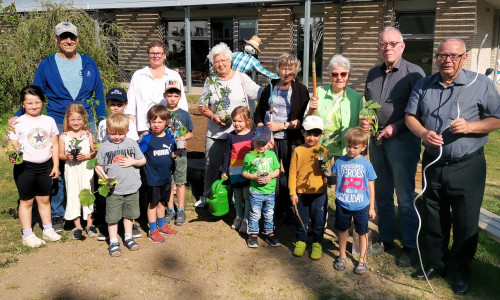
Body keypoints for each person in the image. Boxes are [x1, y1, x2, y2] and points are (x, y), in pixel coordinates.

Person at [406, 37, 500, 295]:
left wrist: (471, 127)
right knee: (434, 216)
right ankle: (437, 262)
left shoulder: (481, 84)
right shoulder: (424, 84)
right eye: (442, 55)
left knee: (465, 220)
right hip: (433, 164)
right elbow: (410, 117)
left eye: (454, 56)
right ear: (436, 57)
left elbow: (496, 118)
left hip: (467, 166)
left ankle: (460, 270)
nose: (447, 60)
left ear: (464, 57)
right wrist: (424, 134)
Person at [9, 21, 106, 232]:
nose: (68, 41)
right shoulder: (47, 65)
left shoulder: (89, 63)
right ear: (57, 40)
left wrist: (102, 119)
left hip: (84, 120)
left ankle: (88, 211)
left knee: (87, 166)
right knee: (58, 167)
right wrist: (17, 115)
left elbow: (98, 93)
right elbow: (35, 93)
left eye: (72, 37)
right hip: (56, 120)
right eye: (64, 37)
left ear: (77, 40)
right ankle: (57, 213)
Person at [363, 27, 425, 266]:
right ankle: (386, 239)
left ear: (402, 46)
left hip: (403, 143)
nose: (387, 48)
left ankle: (410, 246)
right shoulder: (372, 74)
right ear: (379, 47)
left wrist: (395, 127)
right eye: (383, 44)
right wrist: (366, 118)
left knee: (405, 196)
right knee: (383, 194)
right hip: (377, 143)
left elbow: (418, 111)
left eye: (392, 43)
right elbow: (369, 104)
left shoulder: (414, 74)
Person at [195, 42, 262, 208]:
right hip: (216, 132)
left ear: (230, 61)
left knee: (238, 164)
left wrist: (277, 87)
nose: (220, 64)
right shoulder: (211, 81)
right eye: (216, 61)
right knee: (211, 165)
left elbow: (260, 93)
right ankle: (207, 195)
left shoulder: (241, 78)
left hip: (240, 134)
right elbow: (201, 106)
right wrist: (212, 115)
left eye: (223, 60)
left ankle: (236, 197)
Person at [254, 52, 310, 222]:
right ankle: (273, 212)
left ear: (296, 71)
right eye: (284, 68)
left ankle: (294, 212)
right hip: (270, 141)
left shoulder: (301, 90)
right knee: (271, 175)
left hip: (291, 139)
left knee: (293, 174)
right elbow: (258, 115)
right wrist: (265, 135)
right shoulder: (270, 88)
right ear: (278, 70)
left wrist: (282, 126)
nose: (287, 72)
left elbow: (302, 120)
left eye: (290, 69)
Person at [8, 85, 62, 247]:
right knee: (27, 201)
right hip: (25, 168)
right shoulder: (18, 122)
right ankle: (27, 234)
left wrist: (56, 165)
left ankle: (47, 229)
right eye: (29, 103)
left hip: (46, 166)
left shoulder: (49, 120)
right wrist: (12, 154)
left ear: (43, 103)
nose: (34, 106)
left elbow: (54, 144)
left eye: (37, 102)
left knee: (44, 199)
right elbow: (13, 144)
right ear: (23, 104)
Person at [96, 113, 146, 257]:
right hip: (114, 190)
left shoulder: (132, 143)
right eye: (113, 133)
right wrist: (105, 178)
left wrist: (133, 162)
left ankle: (128, 238)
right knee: (112, 217)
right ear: (107, 131)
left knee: (129, 215)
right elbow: (98, 166)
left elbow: (142, 160)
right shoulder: (104, 147)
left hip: (131, 187)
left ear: (126, 131)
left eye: (120, 133)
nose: (117, 136)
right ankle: (113, 241)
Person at [96, 87, 141, 241]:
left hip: (126, 168)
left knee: (129, 200)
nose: (115, 107)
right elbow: (101, 143)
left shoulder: (129, 123)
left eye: (119, 104)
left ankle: (130, 226)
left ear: (125, 105)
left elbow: (133, 144)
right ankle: (107, 227)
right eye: (112, 104)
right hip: (109, 166)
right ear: (107, 104)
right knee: (107, 199)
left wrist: (131, 161)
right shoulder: (103, 123)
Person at [331, 127, 376, 275]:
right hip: (343, 203)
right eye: (349, 146)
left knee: (362, 231)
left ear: (363, 147)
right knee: (342, 230)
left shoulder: (366, 164)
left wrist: (371, 207)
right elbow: (333, 180)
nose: (351, 150)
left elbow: (370, 186)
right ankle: (342, 255)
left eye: (355, 147)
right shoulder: (339, 162)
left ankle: (362, 258)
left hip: (361, 205)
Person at [125, 40, 188, 137]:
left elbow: (182, 103)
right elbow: (130, 106)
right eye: (152, 53)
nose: (156, 56)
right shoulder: (138, 75)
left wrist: (180, 130)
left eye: (159, 53)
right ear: (148, 55)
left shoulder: (173, 76)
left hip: (168, 129)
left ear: (165, 55)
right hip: (144, 129)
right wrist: (131, 131)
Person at [139, 105, 183, 243]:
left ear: (166, 122)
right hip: (153, 178)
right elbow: (139, 154)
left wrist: (179, 151)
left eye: (159, 122)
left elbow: (171, 154)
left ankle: (162, 224)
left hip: (166, 177)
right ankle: (152, 229)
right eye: (153, 122)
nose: (156, 125)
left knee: (162, 202)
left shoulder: (169, 137)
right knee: (153, 204)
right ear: (149, 122)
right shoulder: (147, 139)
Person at [306, 54, 363, 157]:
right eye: (335, 74)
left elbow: (360, 128)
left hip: (346, 151)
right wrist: (310, 109)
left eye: (343, 74)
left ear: (348, 76)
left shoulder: (356, 98)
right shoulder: (318, 92)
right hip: (320, 149)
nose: (339, 78)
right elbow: (306, 121)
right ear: (329, 76)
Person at [289, 116, 328, 260]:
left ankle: (317, 243)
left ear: (321, 134)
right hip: (301, 192)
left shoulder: (324, 151)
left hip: (319, 193)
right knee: (301, 219)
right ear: (302, 132)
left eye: (316, 134)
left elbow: (327, 171)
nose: (312, 137)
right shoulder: (298, 150)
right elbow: (293, 172)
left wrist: (327, 176)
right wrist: (293, 192)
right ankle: (301, 241)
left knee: (318, 220)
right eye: (308, 133)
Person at [58, 104, 97, 240]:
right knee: (73, 193)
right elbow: (60, 154)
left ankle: (90, 224)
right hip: (72, 168)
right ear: (67, 120)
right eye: (73, 120)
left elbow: (93, 152)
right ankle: (77, 225)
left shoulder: (88, 134)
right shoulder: (64, 136)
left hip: (85, 168)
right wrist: (66, 157)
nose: (76, 123)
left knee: (88, 192)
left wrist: (86, 156)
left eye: (79, 119)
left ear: (84, 119)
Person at [161, 80, 194, 226]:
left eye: (175, 95)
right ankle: (170, 210)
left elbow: (191, 133)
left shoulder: (184, 114)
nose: (172, 98)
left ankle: (180, 209)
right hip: (165, 154)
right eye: (169, 95)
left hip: (181, 154)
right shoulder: (161, 113)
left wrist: (183, 137)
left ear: (180, 97)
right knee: (168, 183)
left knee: (180, 183)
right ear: (164, 96)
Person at [241, 126, 281, 248]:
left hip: (270, 191)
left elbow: (277, 170)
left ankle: (270, 233)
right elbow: (244, 172)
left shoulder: (272, 154)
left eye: (264, 144)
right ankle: (253, 234)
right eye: (258, 143)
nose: (261, 147)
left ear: (269, 142)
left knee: (269, 213)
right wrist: (253, 177)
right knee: (255, 213)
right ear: (253, 142)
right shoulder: (249, 156)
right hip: (256, 191)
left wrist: (270, 176)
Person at [221, 106, 253, 233]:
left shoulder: (252, 136)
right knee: (237, 196)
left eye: (240, 121)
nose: (236, 124)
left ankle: (246, 219)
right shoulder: (231, 136)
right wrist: (224, 170)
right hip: (234, 171)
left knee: (247, 196)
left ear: (248, 121)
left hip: (248, 172)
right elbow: (227, 154)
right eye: (234, 121)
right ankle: (238, 217)